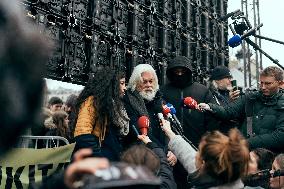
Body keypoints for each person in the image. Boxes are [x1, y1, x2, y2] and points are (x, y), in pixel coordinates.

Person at [160, 55, 216, 189]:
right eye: (176, 71)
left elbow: (212, 122)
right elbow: (159, 121)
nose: (179, 74)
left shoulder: (202, 91)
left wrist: (205, 148)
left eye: (183, 71)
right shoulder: (163, 91)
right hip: (170, 152)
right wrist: (168, 147)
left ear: (189, 72)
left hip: (196, 149)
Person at [199, 66, 284, 153]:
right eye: (261, 83)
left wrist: (247, 143)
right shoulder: (251, 97)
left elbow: (280, 136)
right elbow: (229, 111)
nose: (263, 87)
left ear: (280, 83)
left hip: (269, 157)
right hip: (244, 152)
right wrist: (210, 107)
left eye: (268, 83)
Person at [161, 119, 254, 189]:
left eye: (199, 152)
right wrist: (170, 132)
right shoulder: (224, 173)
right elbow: (188, 155)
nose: (196, 155)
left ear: (204, 164)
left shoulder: (204, 178)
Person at [122, 64, 177, 166]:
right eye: (144, 81)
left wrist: (173, 151)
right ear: (135, 83)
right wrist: (162, 152)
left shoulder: (160, 101)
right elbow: (138, 132)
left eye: (151, 81)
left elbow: (170, 130)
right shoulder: (128, 101)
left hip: (163, 156)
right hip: (140, 158)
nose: (148, 85)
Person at [72, 68, 129, 161]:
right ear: (111, 84)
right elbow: (82, 134)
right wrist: (99, 157)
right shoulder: (92, 102)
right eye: (121, 83)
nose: (124, 88)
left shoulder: (113, 105)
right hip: (97, 162)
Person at [208, 66, 241, 133]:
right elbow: (221, 114)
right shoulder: (209, 95)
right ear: (217, 80)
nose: (230, 80)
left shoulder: (228, 93)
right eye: (227, 78)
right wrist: (230, 101)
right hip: (218, 136)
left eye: (230, 78)